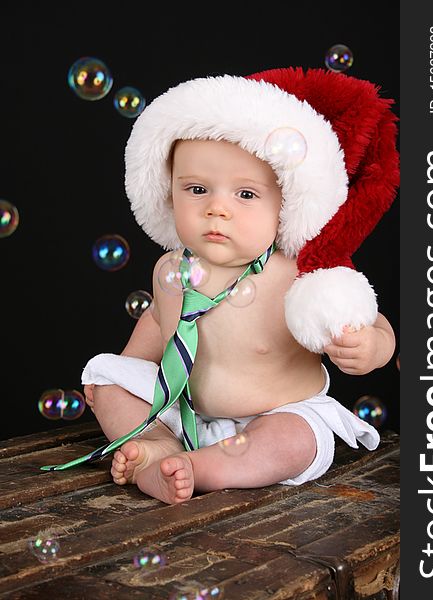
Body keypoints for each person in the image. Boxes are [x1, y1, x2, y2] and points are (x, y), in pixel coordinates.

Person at [81, 67, 399, 505]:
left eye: (245, 195)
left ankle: (207, 467)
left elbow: (374, 320)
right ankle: (158, 445)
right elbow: (158, 323)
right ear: (166, 192)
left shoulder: (302, 274)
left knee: (294, 438)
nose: (217, 209)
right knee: (105, 381)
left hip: (274, 416)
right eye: (196, 189)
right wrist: (130, 382)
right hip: (189, 411)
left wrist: (371, 346)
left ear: (286, 203)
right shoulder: (169, 269)